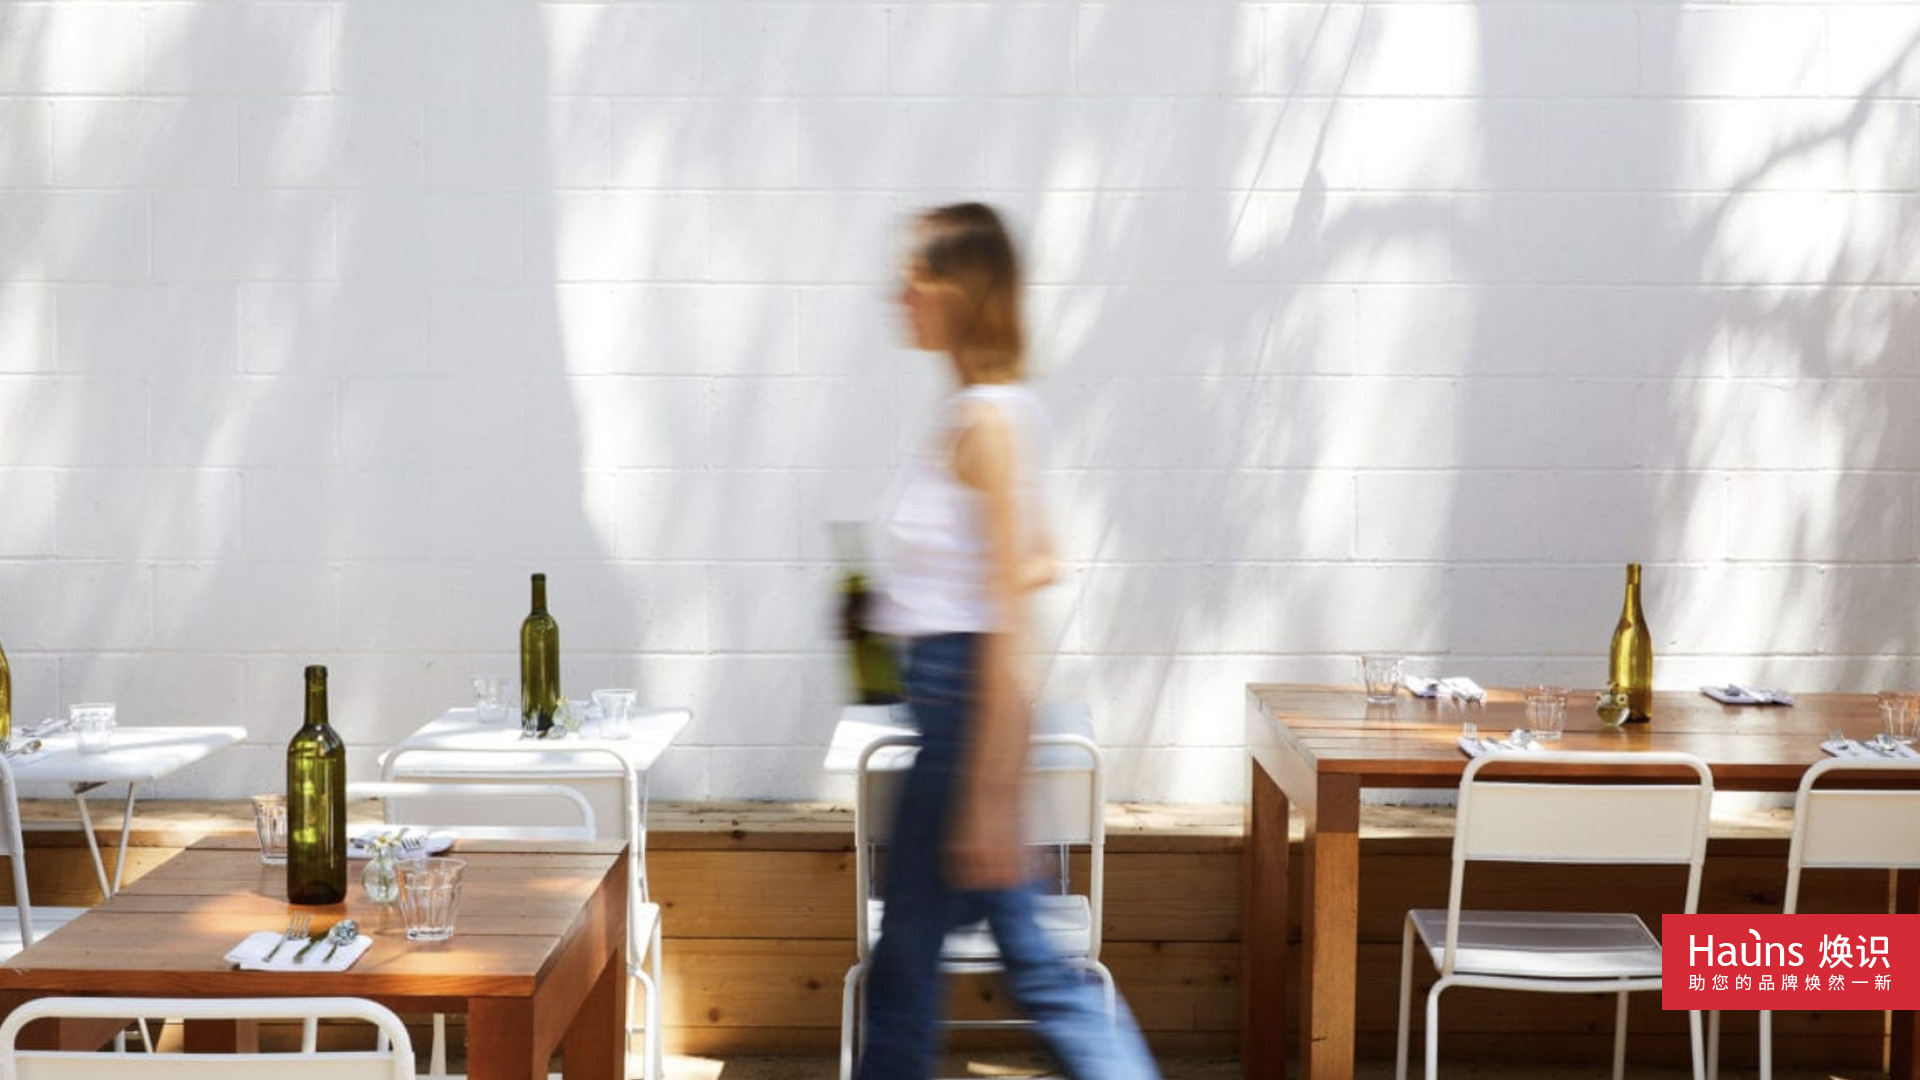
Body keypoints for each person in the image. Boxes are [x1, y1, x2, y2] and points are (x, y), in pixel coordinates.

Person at [856, 202, 1161, 1080]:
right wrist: (888, 611)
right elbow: (1017, 567)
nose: (899, 296)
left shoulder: (989, 420)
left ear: (962, 289)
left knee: (1009, 973)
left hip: (961, 721)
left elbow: (1009, 611)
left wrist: (991, 795)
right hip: (949, 710)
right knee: (925, 965)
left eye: (916, 278)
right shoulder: (978, 413)